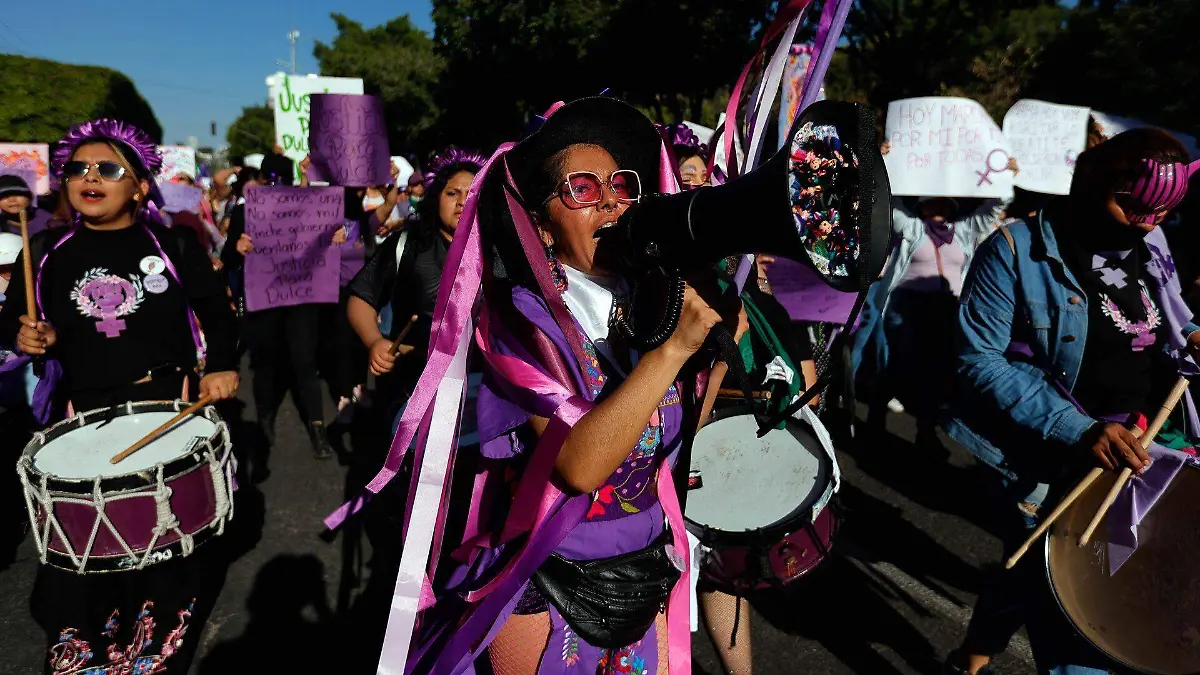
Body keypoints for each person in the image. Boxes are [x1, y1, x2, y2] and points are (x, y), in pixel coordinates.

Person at [401, 96, 746, 675]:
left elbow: (682, 437)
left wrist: (710, 345)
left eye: (621, 184)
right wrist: (676, 349)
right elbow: (578, 467)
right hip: (549, 580)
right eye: (582, 189)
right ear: (542, 222)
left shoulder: (654, 306)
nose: (610, 199)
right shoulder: (518, 319)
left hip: (644, 571)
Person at [943, 128, 1199, 675]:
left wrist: (1193, 337)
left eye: (1163, 211)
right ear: (1090, 181)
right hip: (1049, 458)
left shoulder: (1152, 241)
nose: (1146, 221)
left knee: (1036, 575)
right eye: (1132, 204)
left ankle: (969, 659)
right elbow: (976, 361)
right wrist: (1078, 430)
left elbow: (1170, 317)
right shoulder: (1013, 249)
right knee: (1080, 620)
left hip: (1147, 448)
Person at [0, 118, 239, 674]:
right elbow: (10, 323)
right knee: (86, 548)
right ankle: (89, 652)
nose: (90, 177)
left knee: (163, 542)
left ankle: (152, 651)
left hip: (167, 404)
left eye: (108, 168)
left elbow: (217, 315)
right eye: (77, 168)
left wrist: (222, 366)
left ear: (139, 185)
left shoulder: (173, 244)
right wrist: (25, 335)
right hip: (80, 412)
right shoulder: (46, 249)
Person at [853, 148, 1017, 447]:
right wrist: (885, 162)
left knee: (936, 373)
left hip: (946, 311)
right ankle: (877, 416)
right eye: (931, 200)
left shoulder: (964, 231)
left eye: (943, 200)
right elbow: (887, 200)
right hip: (907, 307)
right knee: (899, 366)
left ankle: (925, 431)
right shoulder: (912, 226)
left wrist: (1004, 176)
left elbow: (995, 207)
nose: (937, 205)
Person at [346, 148, 487, 426]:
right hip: (411, 387)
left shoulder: (498, 250)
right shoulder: (405, 244)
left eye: (471, 193)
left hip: (483, 391)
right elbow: (360, 297)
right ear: (436, 198)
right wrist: (374, 341)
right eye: (452, 193)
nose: (462, 202)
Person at [221, 165, 334, 459]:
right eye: (271, 180)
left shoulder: (306, 207)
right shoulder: (245, 212)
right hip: (265, 299)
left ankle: (317, 427)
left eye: (282, 180)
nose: (276, 186)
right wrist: (237, 246)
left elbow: (326, 231)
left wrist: (334, 237)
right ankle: (265, 422)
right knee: (266, 363)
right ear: (260, 181)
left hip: (301, 300)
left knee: (305, 363)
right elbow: (227, 258)